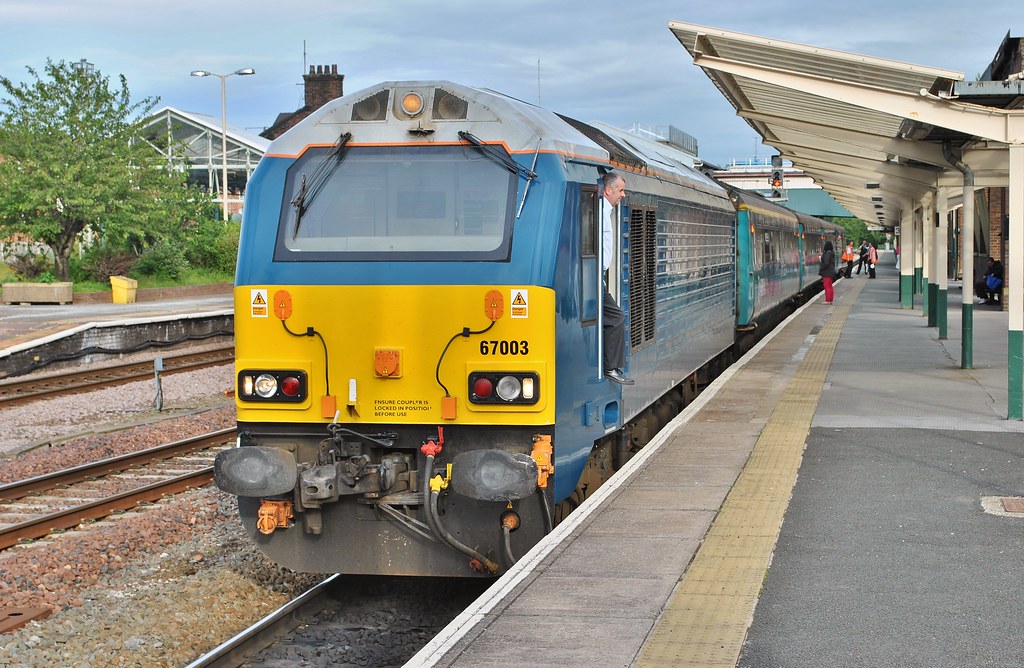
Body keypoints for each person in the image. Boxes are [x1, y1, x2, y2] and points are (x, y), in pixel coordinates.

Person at [601, 172, 634, 385]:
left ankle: (611, 366)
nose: (623, 194)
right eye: (620, 190)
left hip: (598, 278)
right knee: (617, 318)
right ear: (608, 190)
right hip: (594, 278)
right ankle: (610, 367)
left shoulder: (606, 211)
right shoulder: (600, 211)